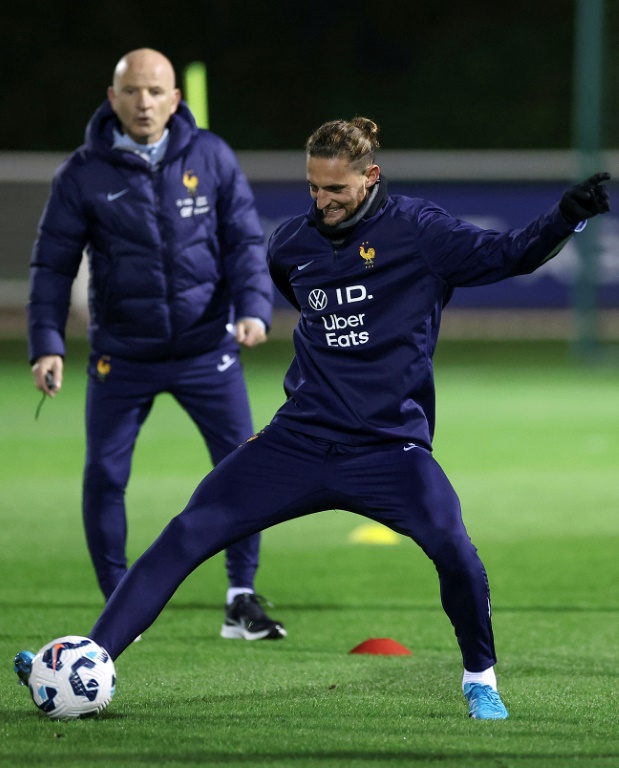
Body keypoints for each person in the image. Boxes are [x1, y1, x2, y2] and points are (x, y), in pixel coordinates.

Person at [19, 117, 610, 719]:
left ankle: (479, 677)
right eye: (313, 189)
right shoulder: (291, 245)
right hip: (298, 439)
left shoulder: (419, 232)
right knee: (188, 530)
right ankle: (88, 659)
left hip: (388, 449)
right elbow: (299, 295)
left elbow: (510, 254)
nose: (322, 202)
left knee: (453, 548)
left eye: (336, 190)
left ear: (370, 176)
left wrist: (566, 216)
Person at [26, 48, 286, 641]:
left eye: (155, 91)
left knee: (244, 470)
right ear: (113, 97)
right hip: (124, 355)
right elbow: (51, 267)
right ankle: (121, 604)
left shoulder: (212, 156)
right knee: (104, 477)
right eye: (133, 91)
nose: (144, 102)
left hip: (206, 351)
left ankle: (241, 598)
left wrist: (253, 308)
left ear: (175, 99)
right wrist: (47, 344)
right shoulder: (82, 174)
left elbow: (245, 240)